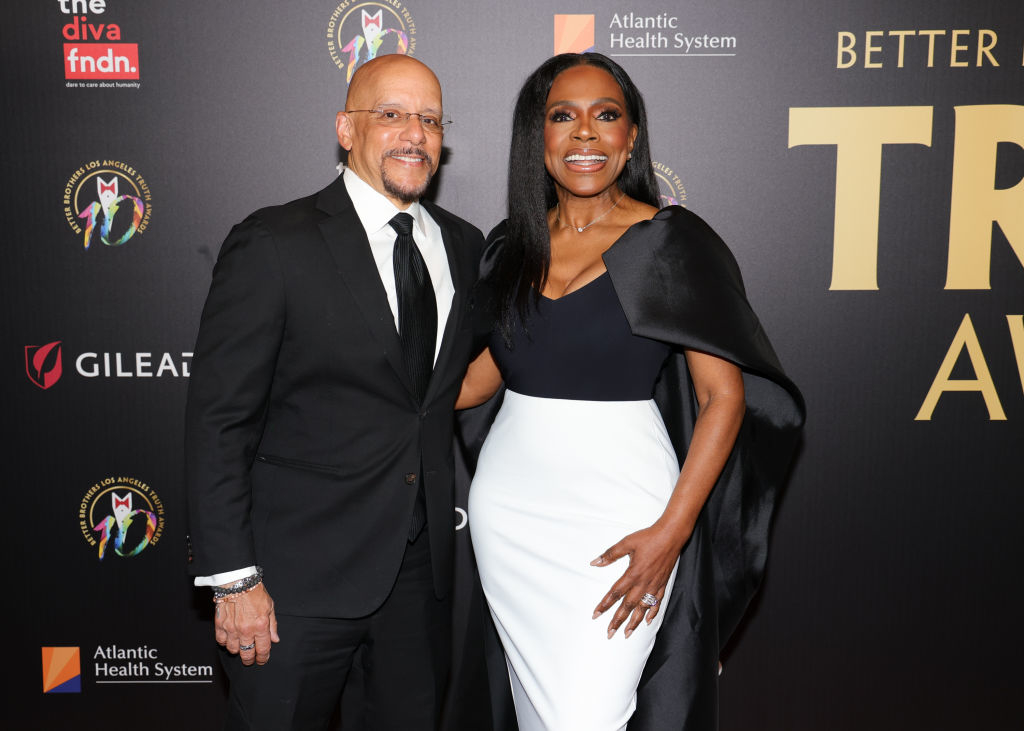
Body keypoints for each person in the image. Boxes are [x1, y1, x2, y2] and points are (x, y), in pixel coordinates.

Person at [456, 53, 804, 730]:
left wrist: (670, 535)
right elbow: (478, 382)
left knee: (587, 712)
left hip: (622, 515)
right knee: (539, 714)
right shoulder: (510, 247)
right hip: (511, 517)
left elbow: (722, 399)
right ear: (539, 135)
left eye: (605, 115)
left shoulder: (672, 242)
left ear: (632, 136)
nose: (585, 133)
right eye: (564, 116)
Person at [184, 54, 485, 730]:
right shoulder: (274, 243)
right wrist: (234, 579)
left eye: (431, 120)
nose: (416, 134)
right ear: (346, 129)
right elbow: (219, 421)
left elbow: (455, 385)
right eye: (393, 114)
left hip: (418, 585)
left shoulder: (465, 247)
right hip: (292, 588)